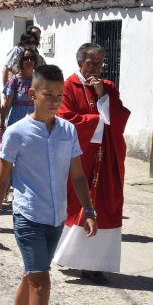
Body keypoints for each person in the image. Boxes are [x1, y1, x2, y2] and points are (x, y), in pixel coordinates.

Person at [0, 64, 97, 305]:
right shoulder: (17, 133)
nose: (55, 100)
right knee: (42, 284)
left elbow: (79, 176)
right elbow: (2, 180)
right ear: (32, 93)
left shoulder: (68, 131)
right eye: (48, 94)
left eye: (59, 95)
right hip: (29, 217)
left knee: (34, 274)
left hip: (56, 218)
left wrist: (89, 211)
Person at [52, 43, 131, 284]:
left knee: (106, 204)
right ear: (79, 63)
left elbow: (119, 118)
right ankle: (68, 254)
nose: (95, 68)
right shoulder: (67, 87)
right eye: (91, 63)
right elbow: (65, 119)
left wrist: (102, 97)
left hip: (106, 157)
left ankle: (92, 264)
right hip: (80, 156)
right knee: (76, 204)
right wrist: (99, 121)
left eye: (99, 63)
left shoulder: (108, 87)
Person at [0, 47, 40, 139]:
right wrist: (2, 126)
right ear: (21, 61)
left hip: (34, 123)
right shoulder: (15, 80)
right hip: (16, 122)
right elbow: (6, 104)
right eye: (26, 58)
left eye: (32, 58)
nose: (29, 61)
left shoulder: (39, 80)